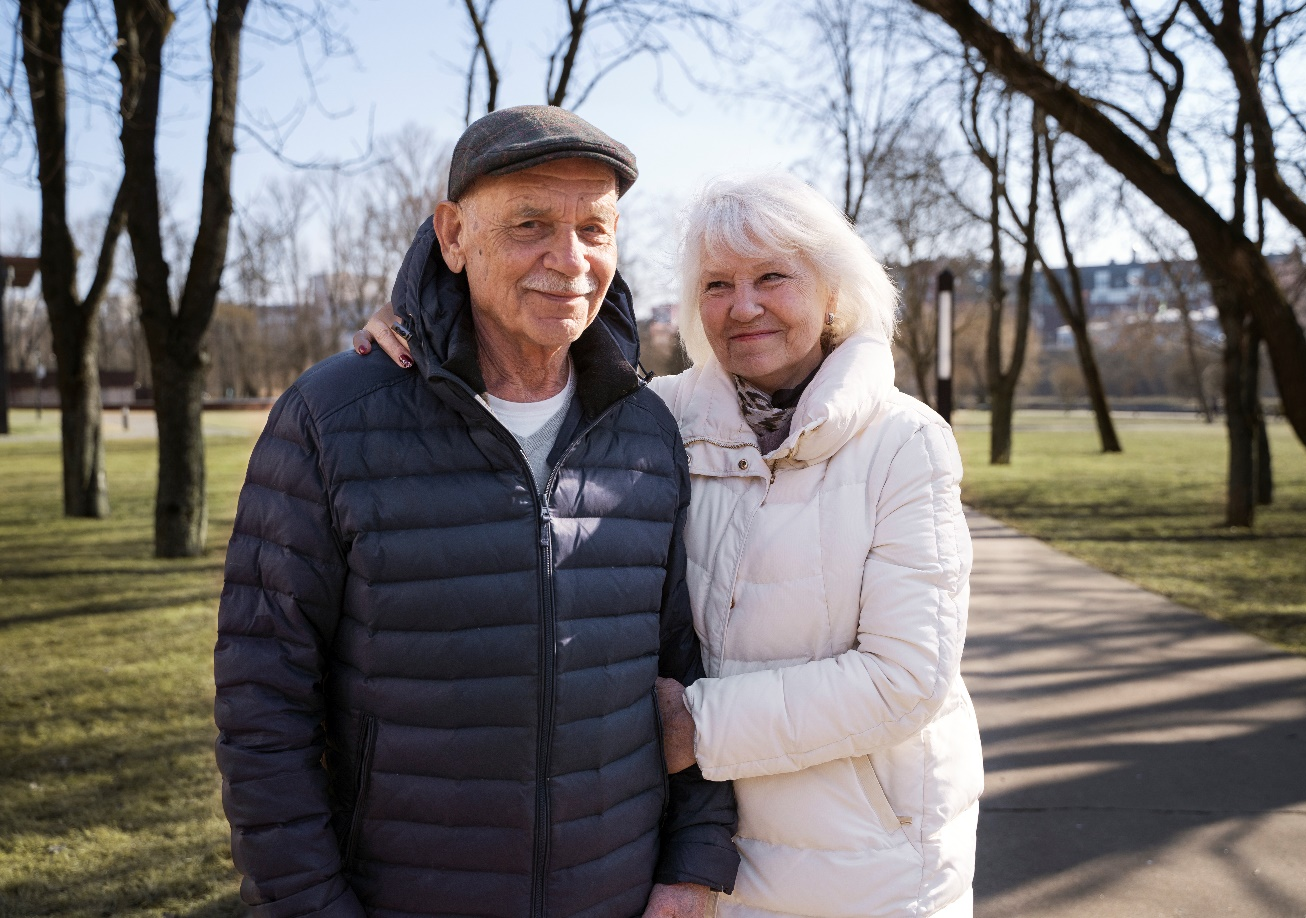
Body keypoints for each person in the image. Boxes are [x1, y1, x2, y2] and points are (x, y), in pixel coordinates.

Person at [361, 171, 982, 917]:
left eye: (772, 277)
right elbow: (513, 368)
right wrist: (422, 321)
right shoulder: (654, 418)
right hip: (688, 865)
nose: (742, 306)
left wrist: (696, 725)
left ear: (832, 292)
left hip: (863, 866)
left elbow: (904, 680)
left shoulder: (905, 442)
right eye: (716, 284)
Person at [214, 106, 739, 918]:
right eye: (530, 222)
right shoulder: (332, 418)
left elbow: (684, 667)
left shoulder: (646, 428)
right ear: (453, 235)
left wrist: (693, 866)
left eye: (594, 229)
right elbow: (262, 706)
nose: (569, 260)